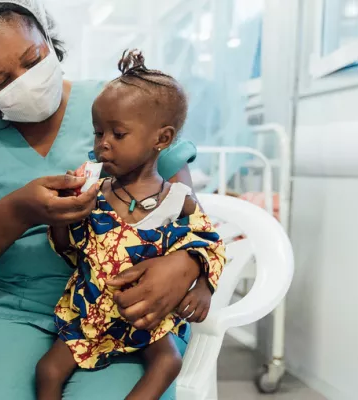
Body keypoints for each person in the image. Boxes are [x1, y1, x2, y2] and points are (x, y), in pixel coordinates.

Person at [0, 1, 210, 398]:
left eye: (32, 59)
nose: (24, 80)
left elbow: (185, 212)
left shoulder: (123, 106)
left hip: (122, 308)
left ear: (48, 38)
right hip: (11, 314)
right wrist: (18, 210)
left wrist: (182, 266)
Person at [36, 50, 226, 400]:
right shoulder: (98, 195)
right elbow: (68, 249)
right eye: (98, 133)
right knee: (47, 370)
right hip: (92, 314)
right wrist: (64, 216)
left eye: (118, 134)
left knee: (167, 361)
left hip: (146, 318)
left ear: (162, 139)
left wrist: (203, 288)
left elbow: (210, 245)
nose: (102, 143)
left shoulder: (177, 200)